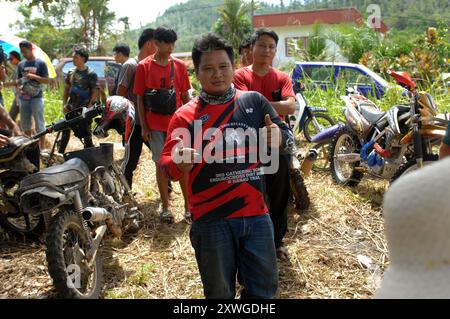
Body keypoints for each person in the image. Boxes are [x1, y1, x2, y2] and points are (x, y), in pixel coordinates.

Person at [160, 33, 294, 299]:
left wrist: (279, 139)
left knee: (263, 291)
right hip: (211, 222)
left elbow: (287, 141)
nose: (217, 74)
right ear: (197, 73)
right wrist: (178, 162)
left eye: (223, 66)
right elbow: (167, 166)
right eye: (208, 68)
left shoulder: (253, 102)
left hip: (256, 216)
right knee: (219, 294)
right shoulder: (184, 116)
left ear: (234, 67)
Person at [233, 28, 297, 261]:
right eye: (262, 45)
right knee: (250, 190)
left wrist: (257, 104)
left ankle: (277, 241)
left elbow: (291, 107)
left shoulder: (281, 77)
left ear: (275, 50)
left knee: (279, 191)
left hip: (276, 140)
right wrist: (273, 105)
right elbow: (240, 104)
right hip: (246, 142)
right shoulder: (239, 75)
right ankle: (249, 241)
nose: (267, 50)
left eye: (271, 46)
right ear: (252, 48)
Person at [134, 27, 191, 223]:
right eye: (167, 43)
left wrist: (190, 121)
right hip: (155, 124)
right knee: (161, 164)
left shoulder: (180, 66)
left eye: (173, 43)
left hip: (178, 125)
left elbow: (185, 96)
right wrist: (144, 126)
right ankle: (166, 207)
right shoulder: (143, 66)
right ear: (156, 43)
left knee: (183, 164)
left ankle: (188, 206)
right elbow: (140, 98)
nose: (171, 47)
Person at [113, 30, 157, 187]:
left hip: (149, 123)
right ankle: (126, 193)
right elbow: (120, 95)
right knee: (130, 162)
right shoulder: (131, 65)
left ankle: (168, 189)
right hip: (134, 125)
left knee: (160, 156)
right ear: (149, 44)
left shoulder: (151, 65)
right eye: (157, 44)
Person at [59, 45, 99, 154]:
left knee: (86, 133)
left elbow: (95, 91)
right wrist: (64, 104)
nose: (73, 60)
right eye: (73, 57)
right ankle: (60, 153)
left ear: (83, 58)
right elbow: (66, 89)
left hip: (83, 109)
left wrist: (90, 107)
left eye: (75, 57)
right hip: (71, 107)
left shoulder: (91, 74)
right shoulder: (71, 73)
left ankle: (90, 155)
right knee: (65, 130)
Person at [16, 40, 49, 149]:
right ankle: (29, 148)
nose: (24, 54)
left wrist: (34, 77)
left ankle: (42, 148)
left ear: (31, 49)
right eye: (22, 52)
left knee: (40, 124)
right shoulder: (21, 64)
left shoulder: (40, 63)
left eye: (25, 51)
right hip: (24, 98)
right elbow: (18, 81)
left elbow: (46, 80)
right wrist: (19, 90)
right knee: (25, 125)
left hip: (36, 98)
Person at [4, 51, 22, 121]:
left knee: (12, 117)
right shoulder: (18, 67)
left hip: (21, 96)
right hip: (18, 96)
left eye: (11, 59)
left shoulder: (21, 66)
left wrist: (6, 84)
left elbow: (19, 81)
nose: (10, 60)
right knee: (12, 116)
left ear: (16, 58)